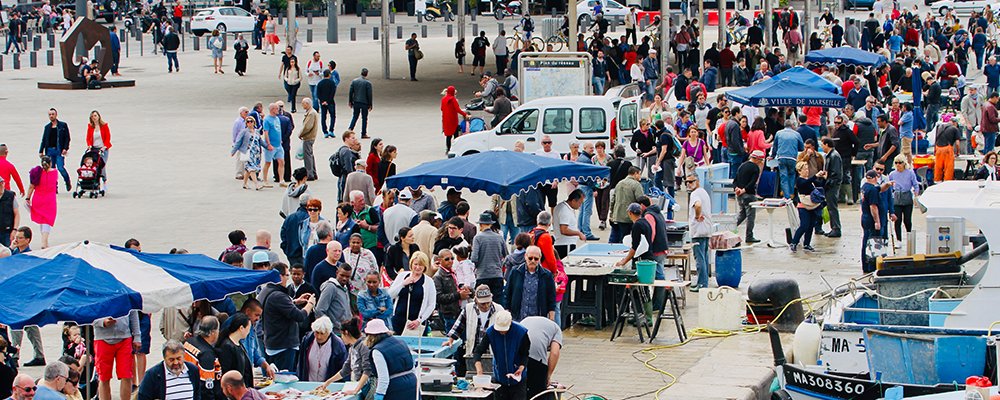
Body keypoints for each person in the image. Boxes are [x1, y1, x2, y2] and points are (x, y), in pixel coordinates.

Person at [259, 262, 316, 371]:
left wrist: (294, 302)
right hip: (283, 346)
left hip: (271, 342)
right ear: (279, 276)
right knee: (283, 381)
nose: (288, 279)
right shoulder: (278, 296)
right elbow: (299, 316)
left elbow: (275, 308)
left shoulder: (266, 290)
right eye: (287, 275)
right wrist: (310, 304)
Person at [473, 310, 529, 399]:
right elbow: (478, 351)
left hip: (518, 377)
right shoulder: (491, 332)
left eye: (504, 330)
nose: (502, 332)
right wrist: (479, 371)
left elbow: (525, 354)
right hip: (500, 377)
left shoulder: (521, 332)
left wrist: (521, 367)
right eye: (499, 330)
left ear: (510, 323)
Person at [363, 320, 418, 399]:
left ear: (370, 336)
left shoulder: (377, 351)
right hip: (412, 384)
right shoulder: (401, 342)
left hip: (396, 388)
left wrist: (379, 394)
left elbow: (383, 378)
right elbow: (412, 367)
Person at [318, 319, 372, 397]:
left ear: (346, 333)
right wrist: (328, 382)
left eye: (342, 334)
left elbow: (367, 370)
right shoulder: (352, 348)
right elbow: (345, 370)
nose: (342, 337)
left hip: (366, 387)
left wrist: (356, 390)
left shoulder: (364, 346)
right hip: (357, 386)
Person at [93, 311, 140, 400]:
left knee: (126, 375)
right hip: (102, 338)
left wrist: (137, 336)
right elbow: (89, 313)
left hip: (125, 337)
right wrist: (102, 322)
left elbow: (133, 311)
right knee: (103, 377)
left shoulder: (126, 296)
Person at [388, 252, 437, 335]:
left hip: (417, 322)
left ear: (425, 266)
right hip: (398, 320)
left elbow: (431, 304)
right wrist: (403, 284)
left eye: (421, 265)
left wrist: (419, 320)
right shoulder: (402, 276)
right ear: (411, 264)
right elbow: (390, 295)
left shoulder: (429, 282)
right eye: (415, 264)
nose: (417, 267)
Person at [503, 246, 556, 321]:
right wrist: (507, 313)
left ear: (540, 258)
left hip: (538, 319)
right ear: (525, 257)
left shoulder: (547, 275)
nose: (533, 261)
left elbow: (551, 298)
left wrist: (551, 318)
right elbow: (507, 294)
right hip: (517, 318)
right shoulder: (515, 272)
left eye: (536, 259)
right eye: (530, 258)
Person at [519, 316, 561, 400]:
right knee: (538, 393)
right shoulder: (557, 329)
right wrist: (548, 376)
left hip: (517, 355)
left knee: (520, 390)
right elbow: (555, 353)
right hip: (536, 358)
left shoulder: (526, 320)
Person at [789, 162, 827, 252]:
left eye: (807, 169)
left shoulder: (809, 180)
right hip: (803, 206)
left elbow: (819, 185)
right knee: (804, 225)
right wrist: (815, 176)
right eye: (804, 169)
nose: (807, 171)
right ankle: (794, 242)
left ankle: (807, 244)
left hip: (813, 205)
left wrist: (823, 178)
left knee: (811, 226)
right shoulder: (799, 180)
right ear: (799, 171)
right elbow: (805, 184)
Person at [296, 317, 346, 382]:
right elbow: (301, 363)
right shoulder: (307, 340)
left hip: (328, 384)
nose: (319, 337)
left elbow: (343, 369)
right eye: (316, 333)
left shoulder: (338, 346)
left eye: (322, 333)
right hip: (308, 382)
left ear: (328, 332)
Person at [684, 175, 712, 291]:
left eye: (691, 182)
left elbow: (698, 205)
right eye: (687, 182)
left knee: (699, 258)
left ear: (698, 181)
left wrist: (696, 215)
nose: (689, 184)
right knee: (704, 257)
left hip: (698, 231)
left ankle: (702, 284)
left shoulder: (695, 194)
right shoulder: (703, 192)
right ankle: (704, 282)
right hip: (706, 229)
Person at [215, 313, 254, 391]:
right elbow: (226, 372)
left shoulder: (239, 344)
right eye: (248, 328)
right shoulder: (226, 346)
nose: (249, 332)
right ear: (241, 328)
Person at [434, 248, 470, 332]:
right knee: (453, 341)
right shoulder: (438, 276)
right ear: (439, 260)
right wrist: (458, 295)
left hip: (460, 311)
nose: (450, 261)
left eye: (452, 258)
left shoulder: (454, 272)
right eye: (447, 259)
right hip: (450, 314)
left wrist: (466, 290)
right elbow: (438, 297)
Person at [26, 156, 58, 249]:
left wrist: (28, 197)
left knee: (42, 220)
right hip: (50, 199)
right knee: (47, 220)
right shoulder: (55, 172)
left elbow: (31, 186)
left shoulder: (37, 173)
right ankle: (44, 241)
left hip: (38, 198)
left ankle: (45, 240)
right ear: (50, 163)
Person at [315, 262, 354, 335]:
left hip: (344, 332)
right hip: (334, 332)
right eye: (342, 275)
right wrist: (330, 326)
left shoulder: (345, 288)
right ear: (337, 273)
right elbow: (319, 310)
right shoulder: (330, 287)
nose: (344, 279)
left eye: (347, 276)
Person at [735, 150, 765, 244]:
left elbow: (735, 179)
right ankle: (749, 235)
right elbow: (752, 183)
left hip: (739, 194)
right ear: (757, 159)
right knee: (750, 216)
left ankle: (730, 227)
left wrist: (737, 189)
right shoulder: (755, 168)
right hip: (749, 194)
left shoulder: (742, 165)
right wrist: (744, 190)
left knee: (742, 214)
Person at [888, 154, 919, 244]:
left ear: (904, 163)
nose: (898, 165)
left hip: (907, 196)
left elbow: (915, 185)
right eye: (896, 163)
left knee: (907, 220)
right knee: (897, 220)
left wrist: (916, 196)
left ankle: (909, 237)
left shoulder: (910, 173)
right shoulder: (892, 174)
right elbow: (889, 188)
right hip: (897, 196)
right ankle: (899, 240)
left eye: (900, 163)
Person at [39, 109, 71, 192]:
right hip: (49, 150)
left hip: (59, 150)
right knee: (52, 169)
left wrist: (65, 148)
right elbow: (44, 139)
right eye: (49, 114)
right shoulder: (47, 127)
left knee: (60, 167)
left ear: (56, 115)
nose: (51, 116)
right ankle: (54, 186)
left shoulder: (62, 125)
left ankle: (67, 181)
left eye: (53, 114)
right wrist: (41, 150)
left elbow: (67, 138)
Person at [608, 166, 643, 243]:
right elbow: (640, 200)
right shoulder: (636, 185)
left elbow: (613, 200)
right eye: (639, 174)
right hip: (628, 217)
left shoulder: (619, 183)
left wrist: (612, 213)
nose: (640, 176)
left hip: (617, 215)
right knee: (625, 239)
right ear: (635, 173)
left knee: (614, 238)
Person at [860, 170, 885, 273]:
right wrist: (877, 221)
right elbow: (873, 207)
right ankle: (871, 265)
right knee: (873, 241)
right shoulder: (873, 190)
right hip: (871, 219)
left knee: (866, 240)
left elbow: (879, 188)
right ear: (875, 178)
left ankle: (865, 264)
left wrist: (887, 185)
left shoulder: (864, 187)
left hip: (864, 217)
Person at [552, 190, 586, 258]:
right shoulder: (565, 210)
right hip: (566, 244)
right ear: (573, 201)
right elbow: (564, 230)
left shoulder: (564, 207)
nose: (580, 205)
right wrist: (578, 233)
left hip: (564, 243)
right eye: (580, 203)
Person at [820, 138, 843, 238]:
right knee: (830, 207)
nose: (821, 147)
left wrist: (828, 182)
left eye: (822, 145)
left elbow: (836, 173)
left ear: (826, 144)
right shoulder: (830, 155)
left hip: (832, 185)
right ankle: (833, 227)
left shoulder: (834, 156)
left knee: (832, 207)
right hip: (830, 184)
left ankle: (836, 228)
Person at [441, 86, 470, 154]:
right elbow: (458, 109)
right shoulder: (453, 99)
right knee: (455, 134)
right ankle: (456, 148)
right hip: (453, 119)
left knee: (448, 135)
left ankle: (448, 149)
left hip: (445, 119)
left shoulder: (443, 99)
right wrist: (465, 114)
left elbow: (441, 108)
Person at [348, 68, 374, 139]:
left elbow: (351, 92)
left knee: (355, 116)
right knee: (364, 118)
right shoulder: (368, 83)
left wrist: (350, 101)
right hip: (364, 103)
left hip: (356, 101)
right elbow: (369, 94)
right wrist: (370, 104)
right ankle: (363, 133)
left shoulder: (354, 81)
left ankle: (350, 129)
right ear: (367, 74)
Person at [934, 114, 960, 182]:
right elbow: (957, 143)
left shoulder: (940, 126)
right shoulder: (955, 128)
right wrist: (958, 152)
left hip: (938, 149)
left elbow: (936, 139)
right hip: (947, 149)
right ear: (955, 123)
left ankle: (937, 181)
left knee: (938, 167)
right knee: (948, 167)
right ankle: (947, 182)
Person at [298, 99, 319, 180]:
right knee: (310, 155)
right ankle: (313, 172)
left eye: (303, 104)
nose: (302, 105)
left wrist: (301, 134)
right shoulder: (312, 112)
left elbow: (307, 127)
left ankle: (309, 174)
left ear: (307, 104)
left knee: (307, 156)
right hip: (311, 136)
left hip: (308, 137)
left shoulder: (311, 114)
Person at [0, 179, 19, 249]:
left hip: (7, 232)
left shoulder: (10, 196)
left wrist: (14, 230)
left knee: (7, 253)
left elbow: (17, 214)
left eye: (2, 183)